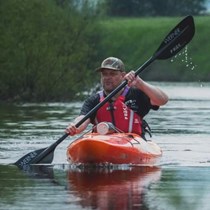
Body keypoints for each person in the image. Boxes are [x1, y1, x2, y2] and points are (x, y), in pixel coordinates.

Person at [66, 57, 168, 138]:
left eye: (112, 74)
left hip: (133, 143)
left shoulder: (137, 95)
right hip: (104, 142)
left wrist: (140, 83)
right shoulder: (94, 100)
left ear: (122, 75)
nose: (107, 77)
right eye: (104, 74)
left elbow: (162, 100)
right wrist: (74, 127)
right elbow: (83, 119)